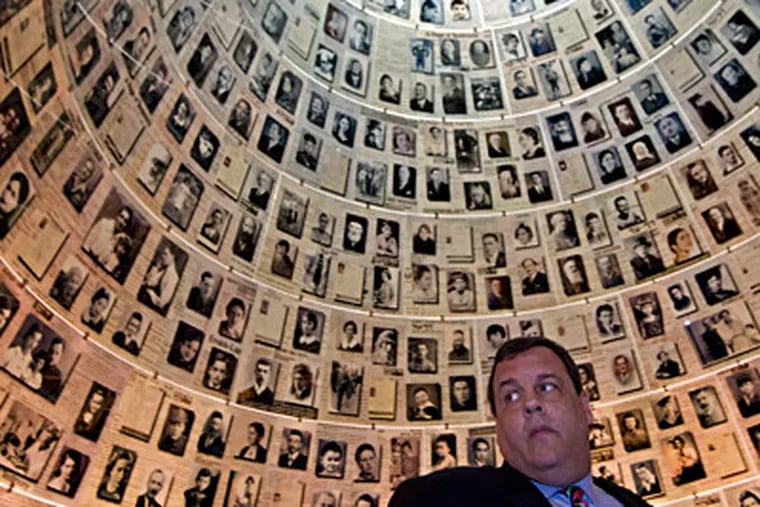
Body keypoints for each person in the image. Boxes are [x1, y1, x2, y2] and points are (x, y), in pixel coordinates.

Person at [389, 337, 651, 506]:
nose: (531, 403)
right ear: (497, 424)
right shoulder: (438, 500)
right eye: (511, 396)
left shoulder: (634, 504)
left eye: (547, 387)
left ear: (585, 407)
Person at [136, 245, 179, 314]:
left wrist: (149, 291)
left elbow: (161, 303)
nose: (162, 256)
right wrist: (155, 268)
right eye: (163, 254)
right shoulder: (161, 270)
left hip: (152, 309)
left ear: (173, 257)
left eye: (165, 254)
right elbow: (148, 281)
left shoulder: (173, 276)